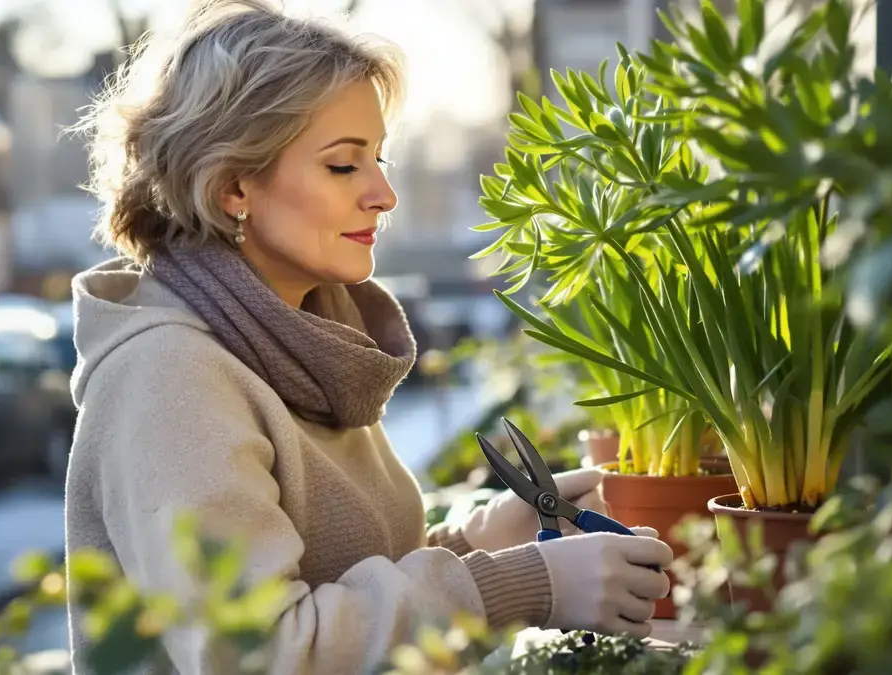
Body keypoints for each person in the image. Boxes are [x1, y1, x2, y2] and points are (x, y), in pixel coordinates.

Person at [62, 0, 675, 672]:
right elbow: (262, 651)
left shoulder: (306, 344)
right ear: (234, 186)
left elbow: (341, 579)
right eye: (343, 165)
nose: (384, 193)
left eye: (378, 158)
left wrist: (480, 544)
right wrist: (516, 585)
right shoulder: (168, 379)